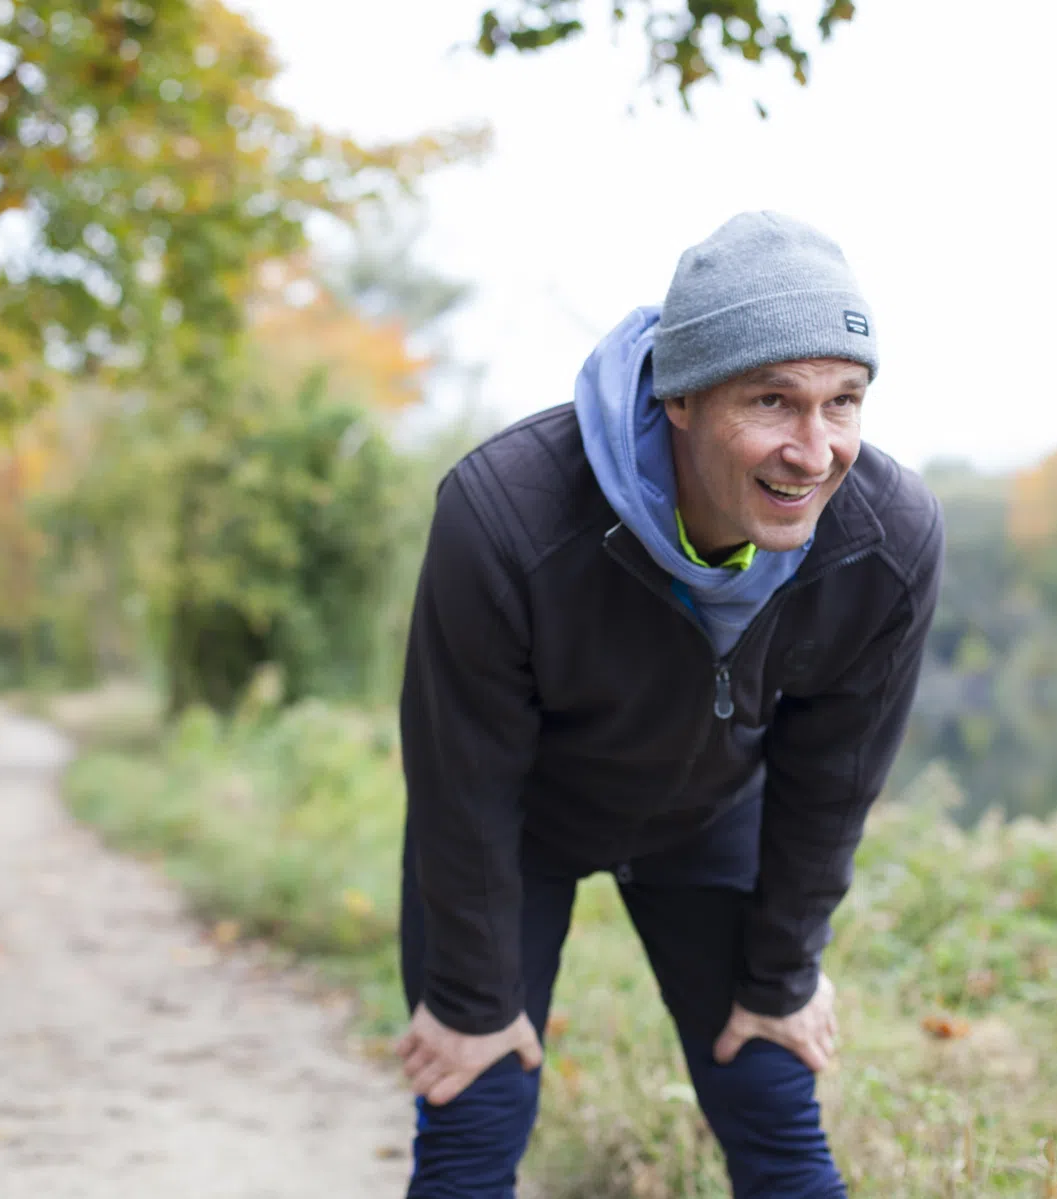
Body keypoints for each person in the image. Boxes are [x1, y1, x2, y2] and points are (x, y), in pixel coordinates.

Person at [393, 211, 944, 1197]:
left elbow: (831, 782)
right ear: (678, 396)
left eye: (842, 403)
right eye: (772, 400)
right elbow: (460, 772)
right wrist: (472, 999)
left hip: (709, 812)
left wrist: (780, 976)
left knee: (772, 1094)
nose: (812, 450)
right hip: (512, 826)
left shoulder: (885, 541)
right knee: (473, 1106)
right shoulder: (503, 515)